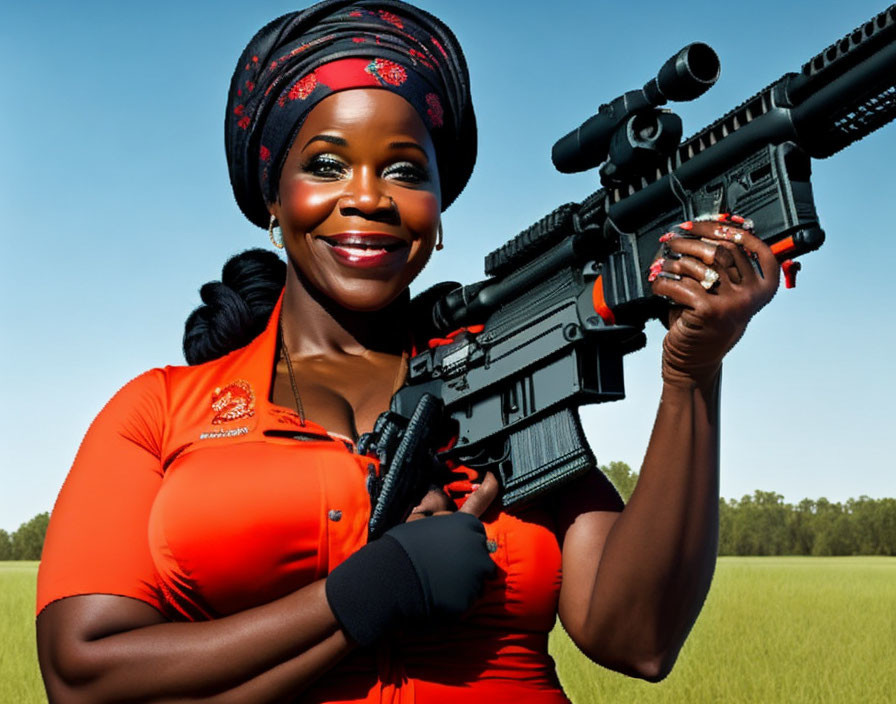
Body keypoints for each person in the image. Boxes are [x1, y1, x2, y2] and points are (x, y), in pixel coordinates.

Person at [35, 1, 780, 702]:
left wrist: (693, 374)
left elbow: (637, 639)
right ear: (273, 197)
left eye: (405, 170)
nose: (369, 197)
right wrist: (374, 591)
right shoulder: (163, 411)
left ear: (439, 209)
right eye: (327, 165)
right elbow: (84, 675)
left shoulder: (499, 386)